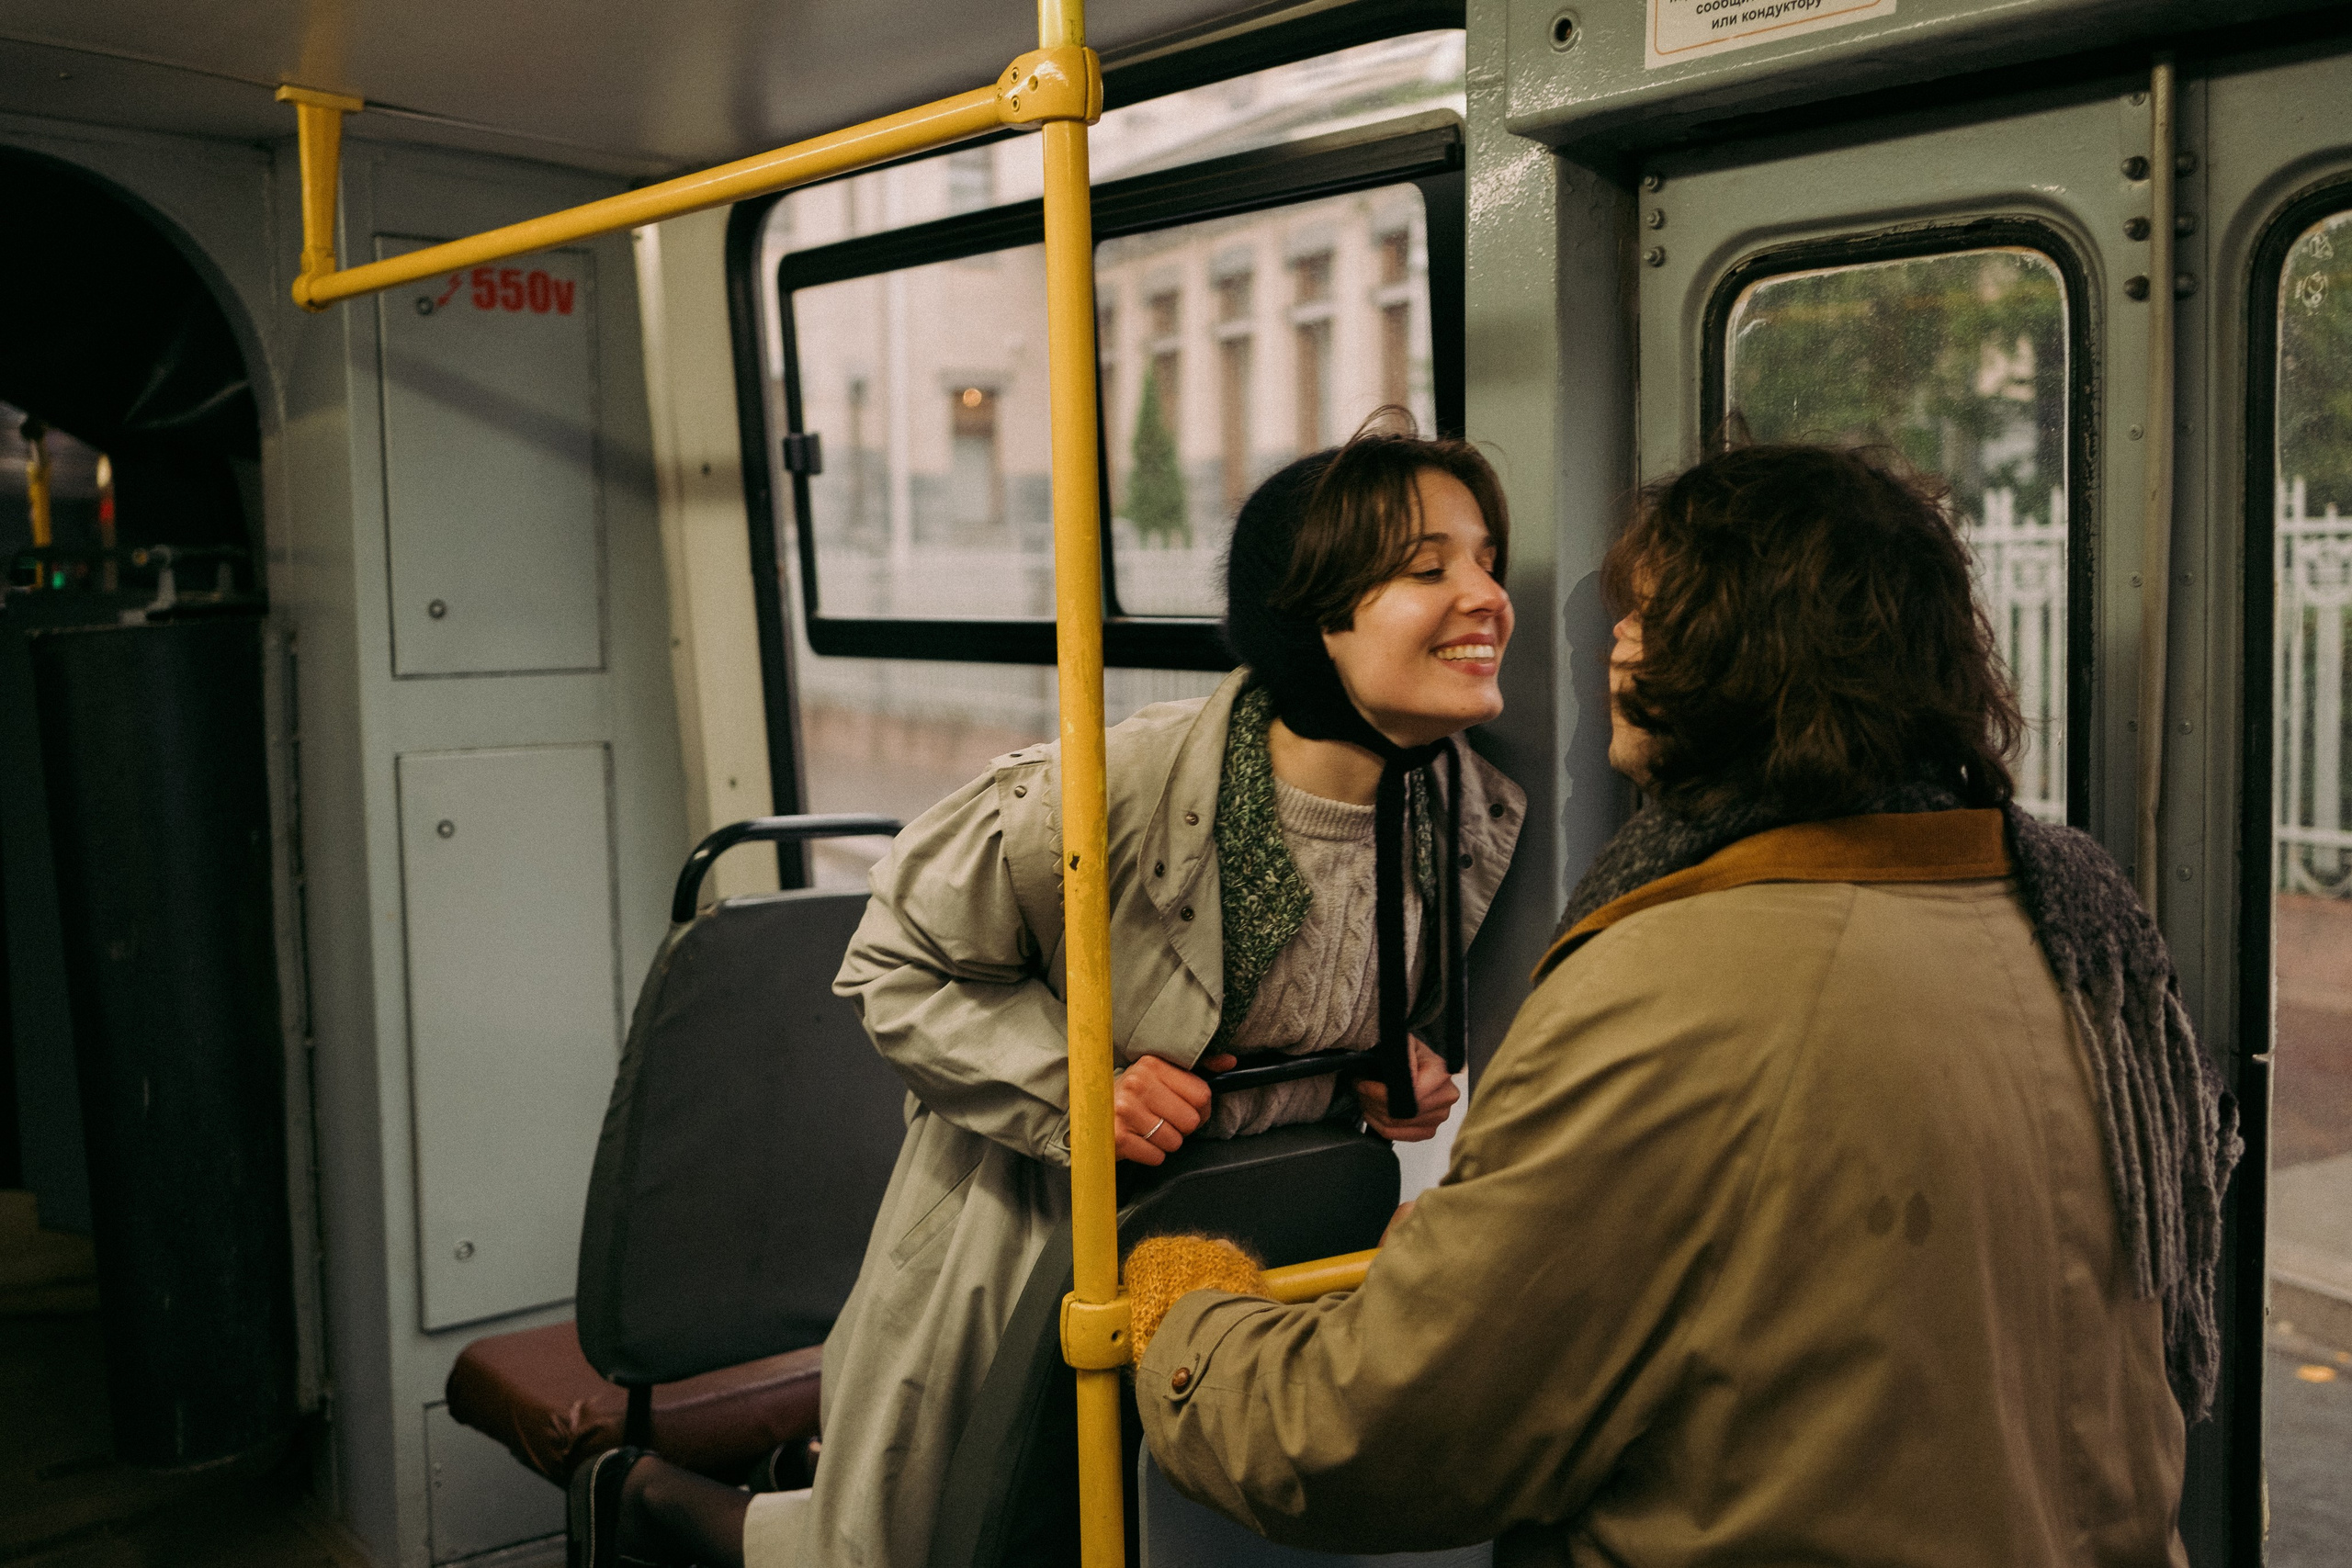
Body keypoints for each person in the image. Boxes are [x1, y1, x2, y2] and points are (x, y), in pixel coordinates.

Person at [1122, 443, 2242, 1567]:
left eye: (1649, 616)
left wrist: (1191, 1324)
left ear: (1738, 658)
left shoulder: (1673, 979)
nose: (1610, 643)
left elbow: (1373, 1439)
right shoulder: (2076, 930)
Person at [568, 418, 1528, 1568]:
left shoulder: (1457, 813)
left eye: (1486, 562)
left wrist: (1380, 1063)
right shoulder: (1113, 787)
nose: (1483, 598)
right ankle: (659, 1506)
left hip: (1254, 1247)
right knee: (925, 1545)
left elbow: (1320, 1003)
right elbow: (893, 961)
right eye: (1428, 570)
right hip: (1030, 1240)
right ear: (1307, 612)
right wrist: (1082, 1090)